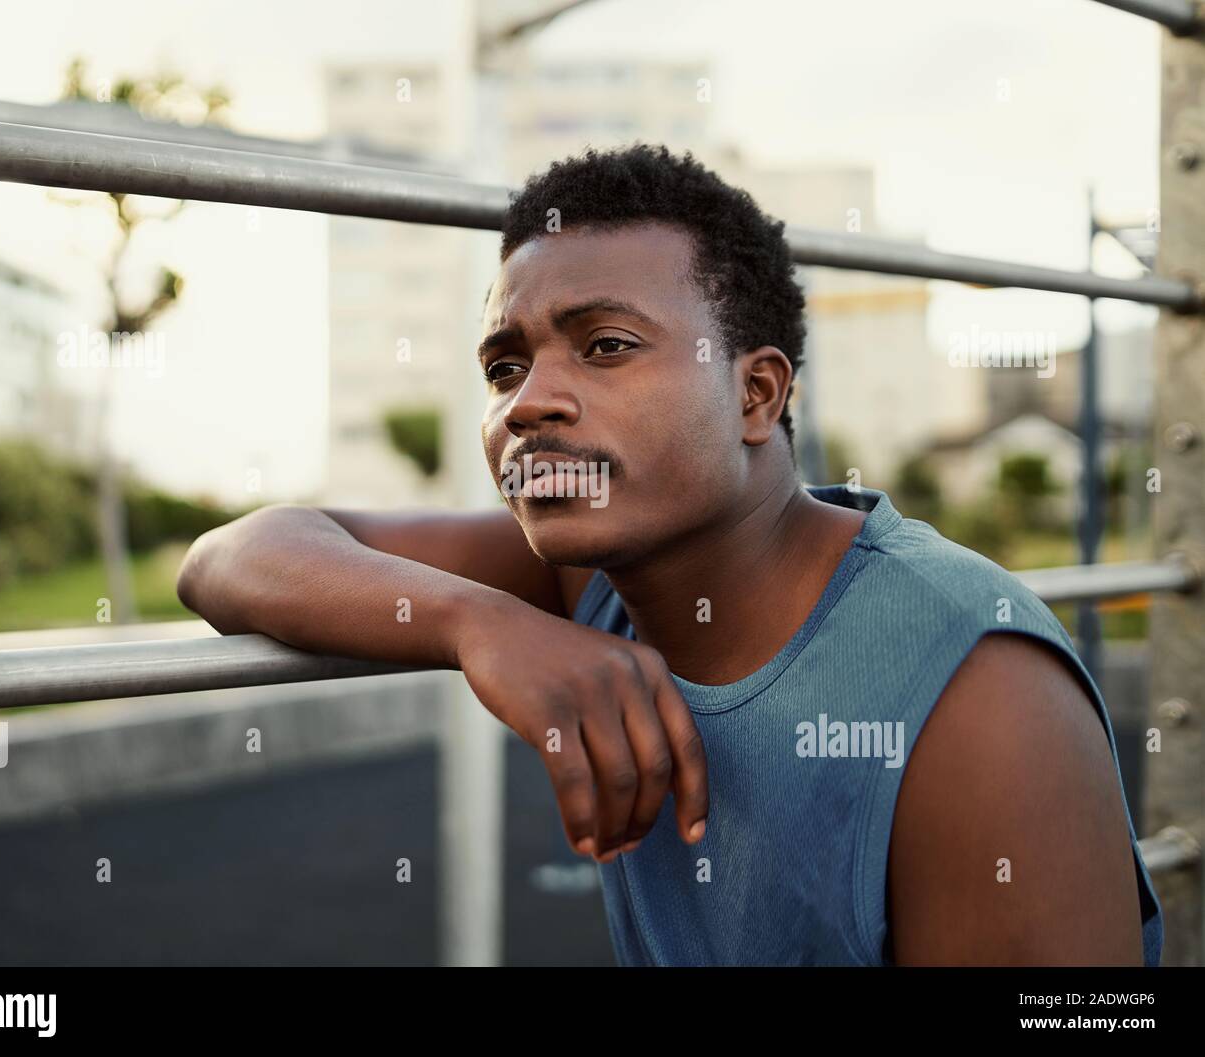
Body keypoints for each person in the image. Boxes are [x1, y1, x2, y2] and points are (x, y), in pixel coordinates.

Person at [177, 143, 1162, 966]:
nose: (527, 403)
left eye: (605, 345)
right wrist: (478, 621)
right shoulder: (589, 573)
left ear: (755, 395)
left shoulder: (979, 693)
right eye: (505, 366)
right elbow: (233, 556)